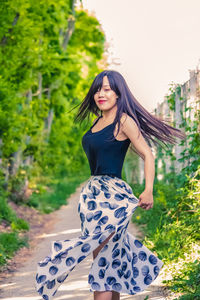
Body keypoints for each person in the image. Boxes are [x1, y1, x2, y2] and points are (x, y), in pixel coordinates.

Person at [35, 70, 186, 300]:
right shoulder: (97, 121)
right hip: (92, 198)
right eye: (97, 89)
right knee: (106, 263)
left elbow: (147, 154)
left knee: (104, 264)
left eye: (106, 89)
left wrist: (148, 190)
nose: (100, 94)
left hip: (111, 198)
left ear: (118, 93)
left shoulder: (123, 121)